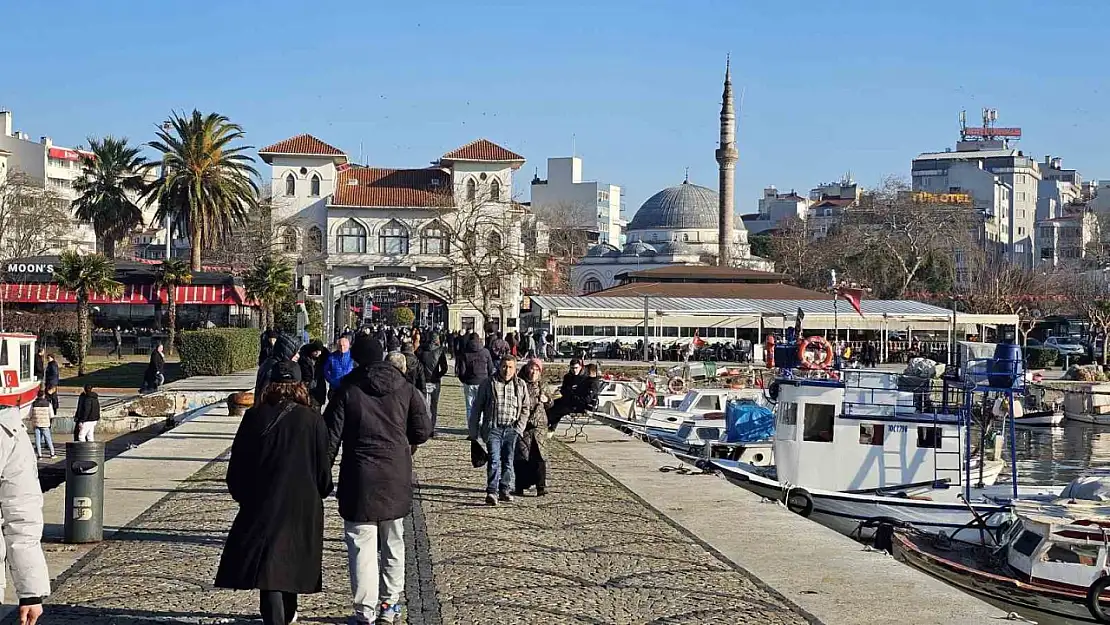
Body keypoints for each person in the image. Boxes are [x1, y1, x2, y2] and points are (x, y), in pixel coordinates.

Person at [216, 361, 333, 625]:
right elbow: (322, 467)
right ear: (300, 385)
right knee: (289, 562)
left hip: (263, 501)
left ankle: (277, 618)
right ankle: (286, 615)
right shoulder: (312, 419)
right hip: (303, 504)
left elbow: (237, 466)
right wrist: (323, 490)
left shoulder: (255, 417)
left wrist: (244, 497)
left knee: (269, 569)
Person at [324, 336, 431, 625]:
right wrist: (400, 439)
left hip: (359, 476)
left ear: (356, 359)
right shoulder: (405, 388)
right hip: (395, 474)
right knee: (394, 543)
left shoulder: (347, 389)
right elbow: (422, 430)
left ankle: (365, 610)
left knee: (362, 548)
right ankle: (389, 604)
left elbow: (329, 439)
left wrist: (322, 475)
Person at [0, 403, 50, 623]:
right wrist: (30, 594)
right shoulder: (7, 430)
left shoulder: (7, 431)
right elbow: (22, 516)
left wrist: (31, 593)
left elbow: (21, 514)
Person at [469, 356, 529, 506]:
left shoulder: (520, 385)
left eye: (510, 367)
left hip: (511, 429)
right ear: (499, 367)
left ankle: (504, 489)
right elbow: (477, 407)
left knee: (508, 461)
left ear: (515, 369)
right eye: (504, 366)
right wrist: (473, 430)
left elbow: (525, 408)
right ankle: (492, 491)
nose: (507, 370)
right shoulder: (488, 383)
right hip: (493, 429)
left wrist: (519, 428)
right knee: (494, 460)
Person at [514, 359, 551, 497]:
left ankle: (541, 486)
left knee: (540, 457)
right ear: (527, 368)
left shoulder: (543, 384)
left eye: (536, 369)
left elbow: (551, 403)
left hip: (539, 426)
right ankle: (520, 486)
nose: (533, 372)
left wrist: (546, 400)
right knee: (521, 457)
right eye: (531, 368)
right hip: (523, 424)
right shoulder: (519, 382)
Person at [457, 332, 495, 423]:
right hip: (483, 382)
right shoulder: (485, 352)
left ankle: (471, 427)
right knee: (482, 406)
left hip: (469, 382)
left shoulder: (465, 353)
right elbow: (490, 368)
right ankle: (480, 426)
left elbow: (461, 370)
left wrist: (464, 380)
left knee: (470, 407)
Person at [417, 335, 449, 434]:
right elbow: (445, 368)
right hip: (435, 380)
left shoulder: (420, 350)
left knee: (423, 405)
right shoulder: (440, 350)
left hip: (423, 380)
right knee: (433, 406)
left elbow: (417, 365)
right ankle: (431, 428)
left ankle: (423, 427)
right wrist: (438, 375)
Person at [256, 335, 300, 401]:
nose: (298, 356)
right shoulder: (274, 367)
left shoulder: (273, 363)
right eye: (295, 352)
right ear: (287, 352)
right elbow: (264, 393)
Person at [323, 336, 354, 401]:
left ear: (348, 346)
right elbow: (325, 370)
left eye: (344, 346)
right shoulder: (332, 357)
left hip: (349, 389)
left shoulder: (353, 357)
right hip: (335, 388)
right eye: (340, 346)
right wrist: (331, 380)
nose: (342, 348)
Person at [30, 391, 55, 459]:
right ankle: (52, 454)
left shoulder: (33, 404)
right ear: (43, 395)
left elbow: (30, 414)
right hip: (45, 424)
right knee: (48, 439)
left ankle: (39, 455)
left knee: (37, 440)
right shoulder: (48, 404)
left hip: (36, 424)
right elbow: (51, 415)